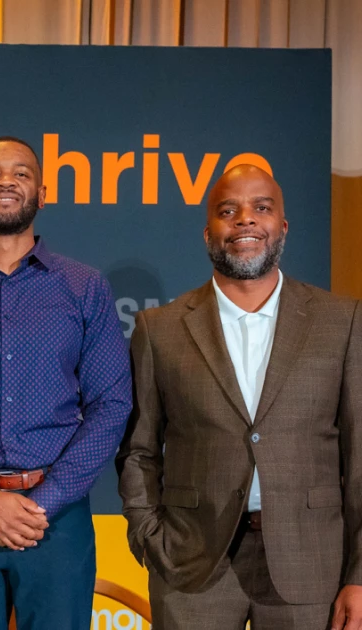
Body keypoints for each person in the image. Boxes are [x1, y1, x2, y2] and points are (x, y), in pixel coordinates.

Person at [117, 164, 362, 630]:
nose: (245, 220)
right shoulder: (160, 330)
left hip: (313, 567)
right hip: (191, 565)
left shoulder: (342, 321)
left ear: (282, 227)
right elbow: (138, 450)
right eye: (228, 211)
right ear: (208, 230)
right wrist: (149, 535)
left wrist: (360, 575)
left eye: (261, 208)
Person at [0, 136, 132, 630]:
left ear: (42, 192)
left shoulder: (85, 288)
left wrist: (43, 502)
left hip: (57, 519)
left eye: (20, 173)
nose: (6, 180)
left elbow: (111, 405)